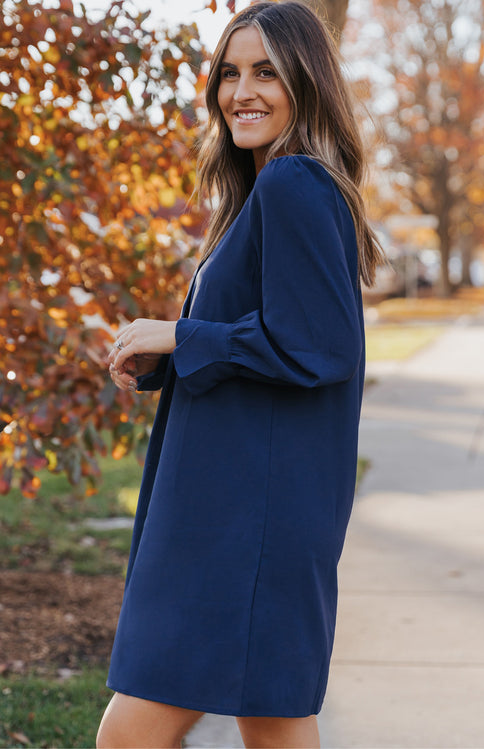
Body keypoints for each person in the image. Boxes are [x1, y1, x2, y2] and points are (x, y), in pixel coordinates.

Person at [97, 2, 383, 747]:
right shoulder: (271, 192)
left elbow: (317, 346)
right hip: (246, 505)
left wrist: (179, 331)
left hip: (245, 517)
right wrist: (172, 354)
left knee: (130, 733)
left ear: (306, 82)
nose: (241, 91)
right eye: (229, 72)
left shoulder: (292, 183)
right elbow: (283, 331)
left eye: (266, 71)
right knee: (274, 718)